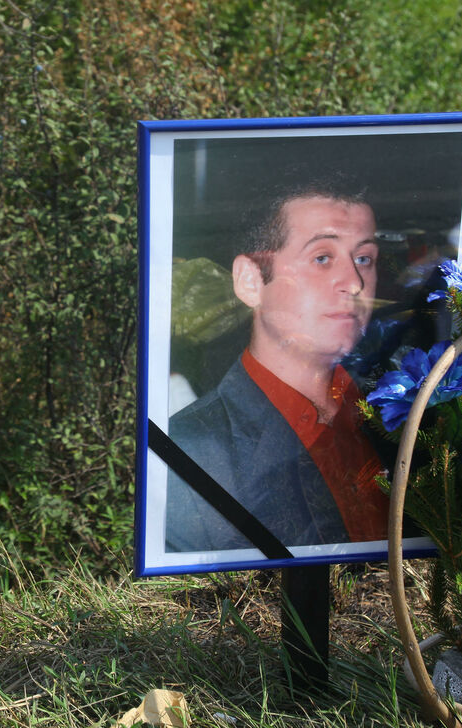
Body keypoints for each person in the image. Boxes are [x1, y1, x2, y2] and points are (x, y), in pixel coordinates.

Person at [165, 187, 390, 552]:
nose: (354, 282)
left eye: (364, 258)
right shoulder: (185, 460)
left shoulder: (408, 413)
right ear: (251, 281)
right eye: (322, 258)